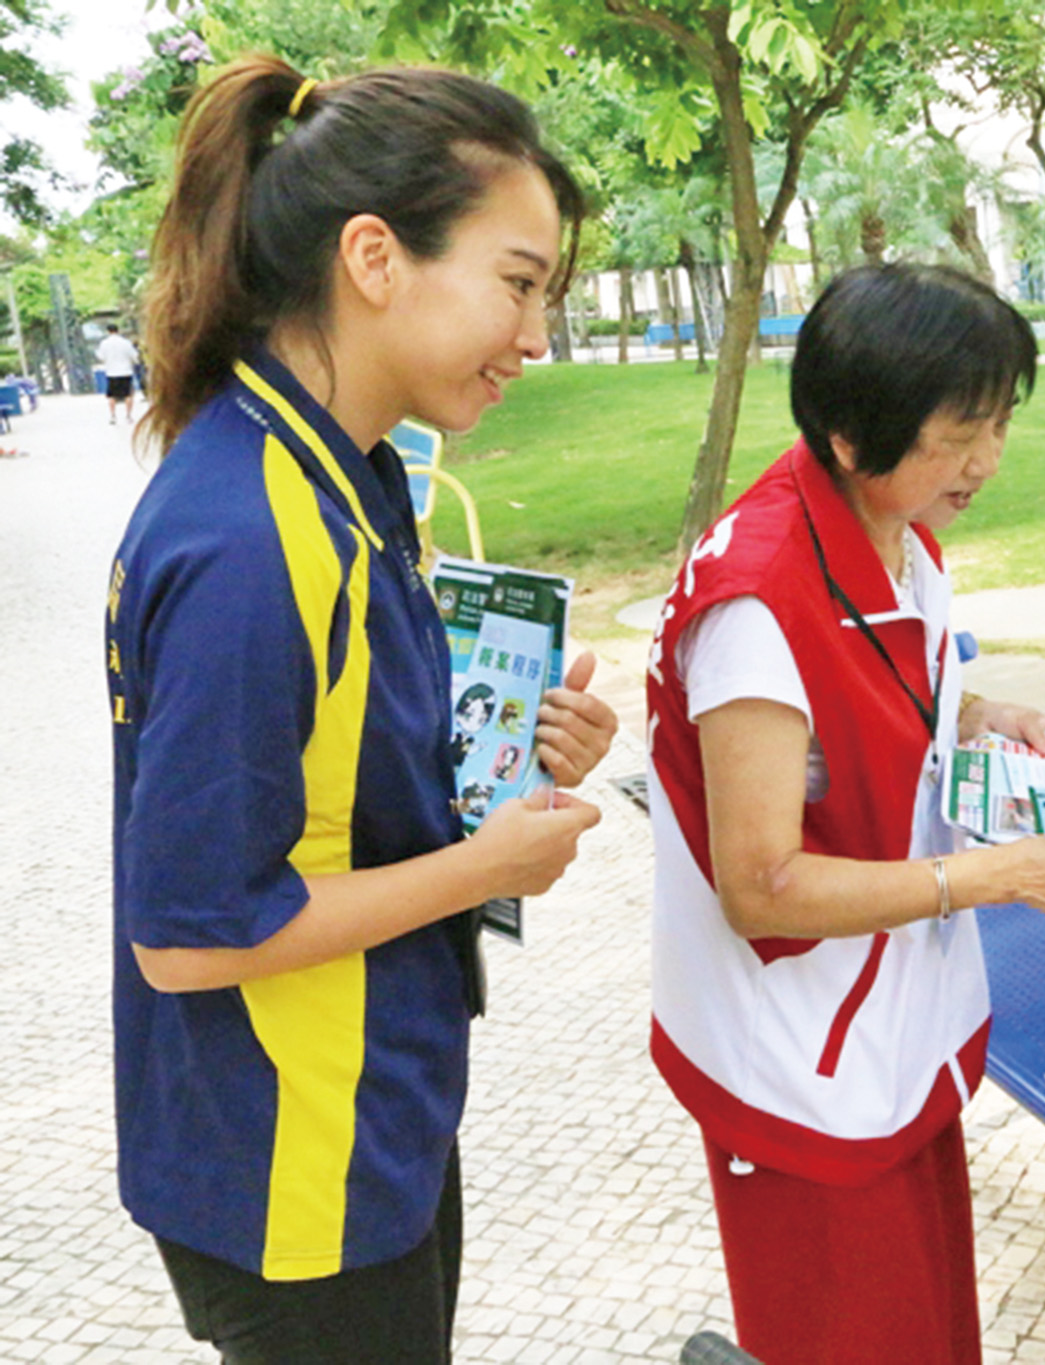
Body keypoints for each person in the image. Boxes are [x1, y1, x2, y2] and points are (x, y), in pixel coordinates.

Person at [107, 56, 618, 1364]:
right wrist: (479, 868)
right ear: (375, 257)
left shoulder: (351, 474)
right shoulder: (251, 540)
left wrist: (508, 755)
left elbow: (336, 766)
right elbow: (191, 936)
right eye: (516, 283)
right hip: (291, 1155)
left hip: (366, 1109)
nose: (537, 338)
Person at [646, 262, 1045, 1363]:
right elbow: (761, 884)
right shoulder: (758, 602)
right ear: (850, 432)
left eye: (999, 423)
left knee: (927, 1329)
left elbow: (874, 693)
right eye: (957, 433)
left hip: (894, 1029)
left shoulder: (895, 525)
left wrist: (978, 712)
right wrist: (1000, 874)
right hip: (800, 1059)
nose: (985, 462)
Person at [97, 321, 142, 424]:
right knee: (128, 395)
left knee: (112, 395)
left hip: (111, 372)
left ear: (108, 331)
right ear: (118, 331)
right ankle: (128, 416)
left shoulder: (104, 343)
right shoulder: (126, 342)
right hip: (126, 371)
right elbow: (134, 356)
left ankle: (113, 416)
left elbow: (101, 357)